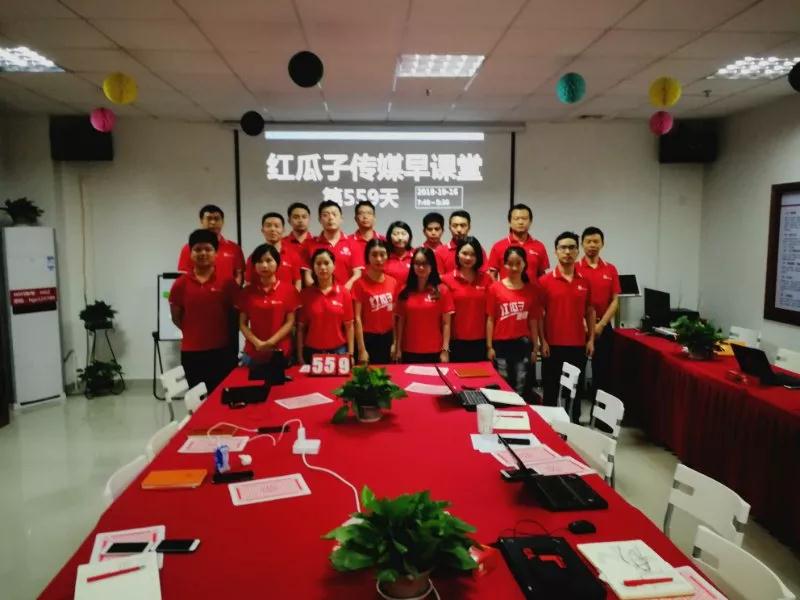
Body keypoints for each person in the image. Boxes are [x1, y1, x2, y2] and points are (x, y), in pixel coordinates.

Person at [169, 229, 238, 391]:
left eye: (208, 249)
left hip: (222, 351)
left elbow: (234, 316)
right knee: (197, 397)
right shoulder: (180, 284)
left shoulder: (227, 282)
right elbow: (176, 317)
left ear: (216, 253)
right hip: (192, 352)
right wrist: (195, 332)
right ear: (190, 253)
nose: (203, 253)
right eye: (198, 249)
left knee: (220, 397)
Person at [539, 232, 595, 422]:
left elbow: (590, 312)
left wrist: (591, 340)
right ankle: (549, 428)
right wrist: (542, 340)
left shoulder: (585, 281)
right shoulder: (545, 281)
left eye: (572, 247)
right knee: (550, 390)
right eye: (563, 247)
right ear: (556, 251)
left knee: (574, 391)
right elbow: (539, 314)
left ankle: (574, 425)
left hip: (578, 345)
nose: (567, 251)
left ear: (578, 251)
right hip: (552, 346)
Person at [486, 246, 542, 394]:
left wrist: (535, 348)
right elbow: (490, 319)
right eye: (510, 264)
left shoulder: (531, 290)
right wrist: (489, 346)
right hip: (500, 345)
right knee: (502, 387)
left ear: (525, 264)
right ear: (504, 265)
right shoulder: (495, 288)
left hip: (522, 346)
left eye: (518, 263)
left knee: (521, 387)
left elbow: (533, 321)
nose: (514, 268)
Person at [576, 226, 621, 401]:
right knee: (577, 370)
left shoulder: (610, 269)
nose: (592, 245)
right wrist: (585, 324)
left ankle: (600, 409)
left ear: (602, 244)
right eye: (588, 241)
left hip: (603, 326)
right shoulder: (575, 268)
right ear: (582, 244)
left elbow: (615, 300)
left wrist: (601, 325)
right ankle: (574, 409)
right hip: (579, 327)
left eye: (596, 241)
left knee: (603, 371)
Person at [237, 244, 300, 366]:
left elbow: (290, 322)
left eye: (269, 260)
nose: (264, 265)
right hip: (253, 352)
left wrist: (270, 342)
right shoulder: (247, 292)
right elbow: (242, 323)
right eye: (259, 261)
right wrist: (257, 343)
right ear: (254, 265)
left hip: (281, 352)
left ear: (277, 263)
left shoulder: (289, 290)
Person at [395, 247, 454, 364]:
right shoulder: (404, 291)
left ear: (432, 266)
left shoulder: (442, 290)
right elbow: (400, 322)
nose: (421, 267)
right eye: (417, 263)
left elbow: (446, 324)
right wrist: (398, 349)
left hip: (435, 351)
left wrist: (445, 351)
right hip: (409, 350)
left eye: (425, 263)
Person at [297, 248, 354, 364]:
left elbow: (349, 327)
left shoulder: (344, 293)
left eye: (326, 263)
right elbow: (300, 329)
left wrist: (350, 354)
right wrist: (299, 356)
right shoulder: (305, 294)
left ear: (334, 266)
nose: (323, 267)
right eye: (318, 264)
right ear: (313, 267)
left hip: (339, 351)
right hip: (312, 352)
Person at [441, 236, 493, 363]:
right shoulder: (446, 280)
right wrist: (445, 349)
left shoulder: (487, 279)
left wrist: (490, 346)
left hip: (481, 342)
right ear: (457, 254)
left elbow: (491, 315)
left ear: (478, 257)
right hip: (454, 342)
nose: (468, 258)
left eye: (473, 254)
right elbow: (442, 319)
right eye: (464, 253)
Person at [352, 239, 398, 365]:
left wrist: (395, 342)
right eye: (374, 255)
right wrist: (361, 349)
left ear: (388, 256)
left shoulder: (393, 282)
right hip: (368, 339)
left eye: (382, 254)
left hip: (387, 338)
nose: (379, 259)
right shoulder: (359, 284)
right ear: (368, 257)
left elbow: (394, 315)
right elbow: (357, 318)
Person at [177, 204, 245, 285]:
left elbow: (238, 274)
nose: (213, 222)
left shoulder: (234, 248)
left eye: (216, 219)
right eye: (209, 219)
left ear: (222, 222)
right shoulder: (189, 248)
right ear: (201, 221)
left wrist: (233, 290)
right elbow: (185, 275)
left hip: (228, 292)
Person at [301, 201, 362, 290]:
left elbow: (357, 274)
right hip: (319, 295)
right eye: (325, 215)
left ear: (341, 218)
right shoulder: (309, 244)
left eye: (334, 214)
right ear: (320, 220)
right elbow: (307, 276)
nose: (330, 218)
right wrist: (322, 292)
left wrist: (342, 292)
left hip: (346, 295)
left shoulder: (353, 243)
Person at [487, 203, 549, 282]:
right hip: (506, 290)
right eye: (516, 218)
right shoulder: (498, 246)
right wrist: (497, 289)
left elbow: (542, 275)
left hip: (532, 290)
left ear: (530, 222)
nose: (520, 222)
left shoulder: (539, 246)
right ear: (509, 222)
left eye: (524, 218)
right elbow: (492, 275)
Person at [244, 212, 301, 290]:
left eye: (277, 226)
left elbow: (297, 282)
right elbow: (248, 283)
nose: (272, 229)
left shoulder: (293, 255)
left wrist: (293, 297)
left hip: (287, 297)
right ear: (262, 230)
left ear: (283, 230)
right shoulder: (254, 257)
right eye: (268, 226)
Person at [434, 210, 487, 275]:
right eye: (455, 226)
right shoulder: (440, 251)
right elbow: (439, 277)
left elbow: (483, 275)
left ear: (469, 227)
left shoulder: (478, 249)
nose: (459, 230)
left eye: (463, 225)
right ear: (449, 228)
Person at [349, 200, 383, 267]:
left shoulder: (383, 241)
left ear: (374, 218)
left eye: (369, 213)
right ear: (356, 218)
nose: (365, 217)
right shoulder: (347, 242)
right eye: (361, 213)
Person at [384, 220, 413, 285]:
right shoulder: (384, 256)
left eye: (403, 234)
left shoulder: (416, 255)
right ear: (389, 237)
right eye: (395, 234)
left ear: (410, 236)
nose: (400, 238)